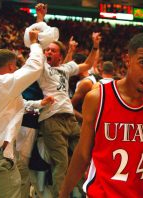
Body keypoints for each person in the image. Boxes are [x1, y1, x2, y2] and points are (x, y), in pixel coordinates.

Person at [59, 33, 143, 198]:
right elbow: (83, 154)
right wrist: (63, 193)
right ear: (127, 59)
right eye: (142, 63)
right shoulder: (98, 98)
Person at [32, 3, 102, 197]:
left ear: (60, 56)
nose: (48, 52)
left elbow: (88, 63)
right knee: (61, 163)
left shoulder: (65, 68)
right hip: (52, 119)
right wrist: (40, 18)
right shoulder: (41, 69)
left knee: (84, 155)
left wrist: (95, 45)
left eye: (52, 51)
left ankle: (81, 191)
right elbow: (36, 41)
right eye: (47, 50)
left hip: (70, 120)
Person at [0, 30, 43, 198]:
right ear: (11, 66)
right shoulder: (3, 83)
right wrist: (35, 43)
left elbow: (14, 106)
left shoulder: (2, 88)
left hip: (3, 153)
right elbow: (35, 67)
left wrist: (39, 104)